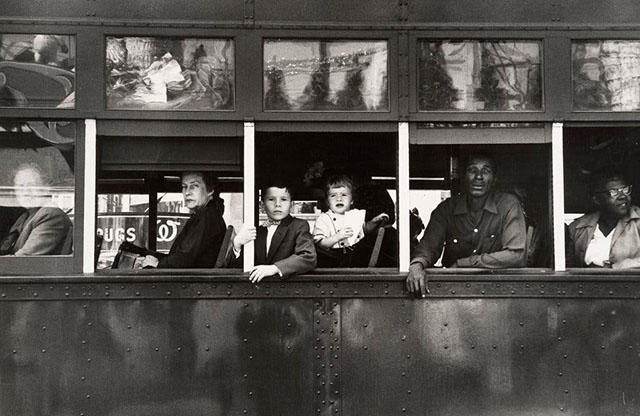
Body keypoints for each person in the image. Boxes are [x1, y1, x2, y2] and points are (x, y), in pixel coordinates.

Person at [406, 154, 527, 297]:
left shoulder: (508, 205)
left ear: (494, 179)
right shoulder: (446, 209)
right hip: (452, 291)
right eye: (472, 170)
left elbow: (516, 255)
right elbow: (428, 247)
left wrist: (463, 264)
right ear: (464, 176)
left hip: (497, 291)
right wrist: (416, 266)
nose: (479, 176)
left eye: (486, 171)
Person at [231, 180, 317, 282]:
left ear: (291, 205)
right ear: (262, 205)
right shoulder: (257, 232)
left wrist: (274, 268)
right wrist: (237, 245)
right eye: (271, 199)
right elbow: (237, 268)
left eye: (283, 199)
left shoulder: (299, 225)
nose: (277, 204)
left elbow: (308, 257)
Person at [141, 171, 226, 268]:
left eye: (194, 186)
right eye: (184, 187)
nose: (187, 192)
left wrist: (158, 264)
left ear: (210, 190)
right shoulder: (208, 214)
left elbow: (184, 257)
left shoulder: (207, 215)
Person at [566, 172, 640, 269]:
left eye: (625, 190)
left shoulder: (637, 221)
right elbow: (568, 268)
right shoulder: (578, 227)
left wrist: (616, 267)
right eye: (614, 192)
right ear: (597, 199)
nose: (623, 196)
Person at [312, 174, 390, 267]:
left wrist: (375, 221)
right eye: (333, 195)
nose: (339, 199)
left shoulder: (355, 215)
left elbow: (364, 229)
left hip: (354, 257)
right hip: (332, 259)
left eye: (344, 195)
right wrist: (338, 237)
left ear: (352, 200)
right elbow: (320, 244)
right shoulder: (323, 219)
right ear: (327, 202)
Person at [0, 163, 72, 256]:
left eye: (31, 185)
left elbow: (23, 259)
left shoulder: (50, 215)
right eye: (20, 186)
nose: (25, 192)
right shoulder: (25, 216)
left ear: (46, 189)